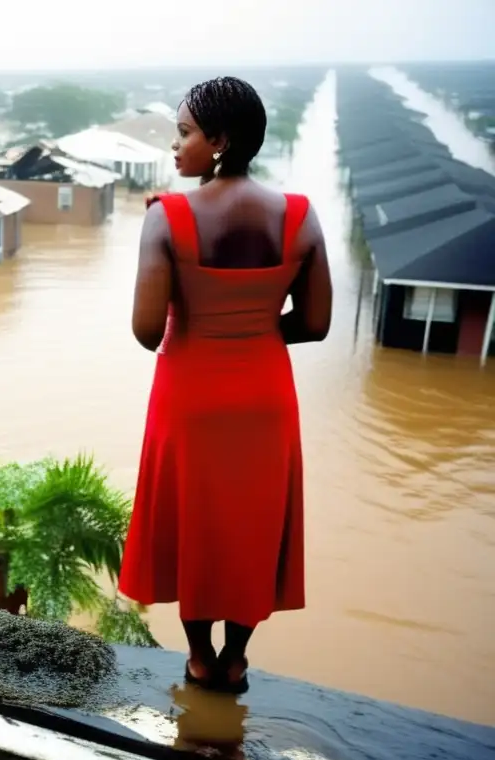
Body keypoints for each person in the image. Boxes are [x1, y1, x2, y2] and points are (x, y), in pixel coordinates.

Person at [118, 76, 333, 694]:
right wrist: (254, 333)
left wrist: (205, 329)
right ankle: (236, 659)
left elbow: (143, 328)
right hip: (265, 396)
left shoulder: (168, 219)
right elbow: (316, 324)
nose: (175, 147)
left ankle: (197, 656)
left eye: (183, 133)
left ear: (220, 141)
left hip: (190, 395)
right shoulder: (299, 216)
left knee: (196, 523)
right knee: (249, 526)